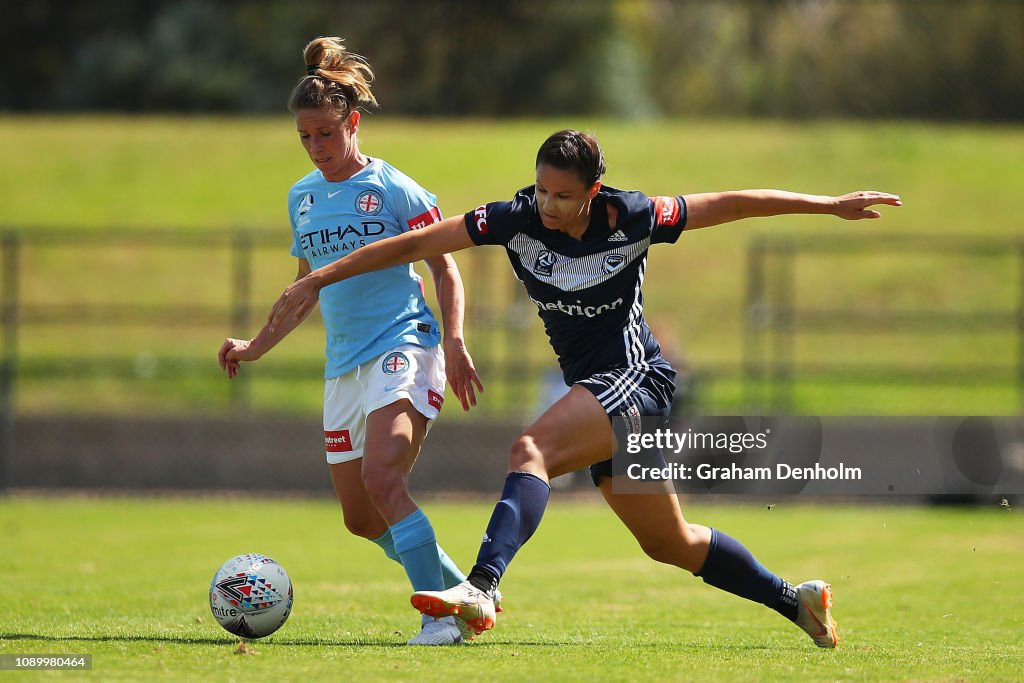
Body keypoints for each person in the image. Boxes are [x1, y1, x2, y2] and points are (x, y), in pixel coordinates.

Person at [267, 128, 902, 646]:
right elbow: (412, 244)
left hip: (636, 381)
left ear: (593, 191)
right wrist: (317, 279)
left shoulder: (633, 215)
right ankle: (799, 600)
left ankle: (481, 588)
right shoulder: (514, 218)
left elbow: (730, 203)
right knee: (671, 543)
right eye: (541, 189)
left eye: (562, 196)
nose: (546, 205)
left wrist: (828, 205)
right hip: (598, 398)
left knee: (529, 451)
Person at [217, 37, 487, 646]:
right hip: (343, 366)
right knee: (361, 518)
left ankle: (440, 618)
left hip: (405, 346)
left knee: (385, 481)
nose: (316, 149)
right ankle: (466, 596)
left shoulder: (397, 189)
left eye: (326, 135)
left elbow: (446, 267)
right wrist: (256, 346)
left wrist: (454, 339)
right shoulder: (302, 198)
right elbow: (305, 287)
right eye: (304, 138)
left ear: (353, 122)